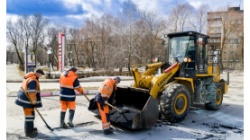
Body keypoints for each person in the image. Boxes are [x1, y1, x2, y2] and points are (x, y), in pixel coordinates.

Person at [15, 69, 45, 138]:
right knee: (29, 117)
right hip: (27, 101)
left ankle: (31, 128)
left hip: (26, 100)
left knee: (31, 115)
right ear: (37, 73)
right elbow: (31, 92)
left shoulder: (30, 78)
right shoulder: (32, 80)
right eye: (40, 74)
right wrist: (34, 101)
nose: (41, 76)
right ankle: (29, 132)